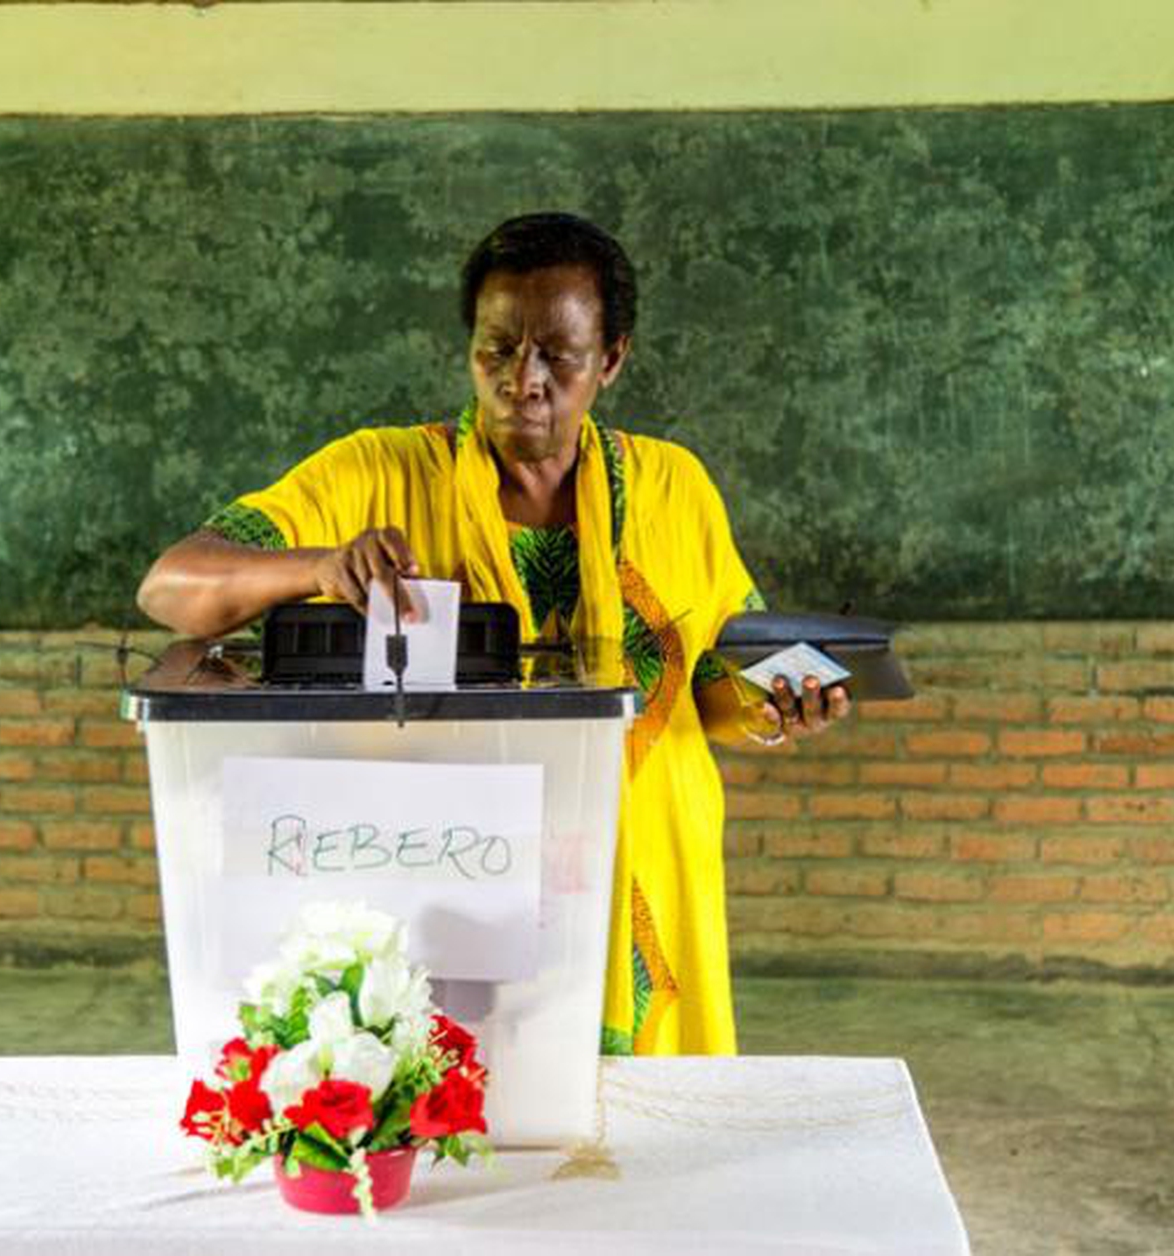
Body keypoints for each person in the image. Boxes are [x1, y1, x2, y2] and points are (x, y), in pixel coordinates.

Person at [138, 212, 849, 1054]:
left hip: (644, 890)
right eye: (498, 349)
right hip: (453, 884)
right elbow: (172, 586)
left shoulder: (675, 488)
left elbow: (711, 694)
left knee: (649, 1153)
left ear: (612, 358)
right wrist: (320, 565)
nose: (525, 379)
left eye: (559, 354)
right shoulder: (381, 473)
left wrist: (773, 711)